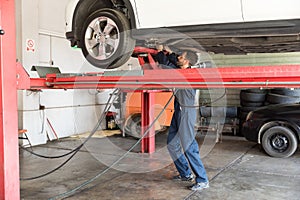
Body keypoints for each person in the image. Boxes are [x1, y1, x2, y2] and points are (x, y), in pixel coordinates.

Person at [156, 45, 209, 191]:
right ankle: (185, 174)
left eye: (181, 56)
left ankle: (202, 179)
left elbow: (165, 64)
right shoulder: (182, 70)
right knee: (172, 144)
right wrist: (170, 52)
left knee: (189, 146)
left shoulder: (188, 74)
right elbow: (172, 62)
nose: (178, 57)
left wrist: (161, 51)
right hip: (178, 111)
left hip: (186, 112)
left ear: (187, 61)